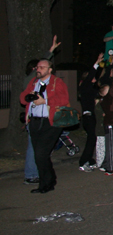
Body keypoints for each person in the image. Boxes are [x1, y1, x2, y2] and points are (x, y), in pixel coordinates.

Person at [19, 59, 69, 194]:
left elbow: (64, 100)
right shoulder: (33, 82)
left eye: (42, 67)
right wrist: (28, 97)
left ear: (49, 70)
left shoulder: (56, 82)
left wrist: (45, 101)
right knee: (39, 154)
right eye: (37, 67)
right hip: (34, 122)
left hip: (51, 122)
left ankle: (45, 184)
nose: (38, 69)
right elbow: (22, 98)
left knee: (41, 154)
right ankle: (49, 179)